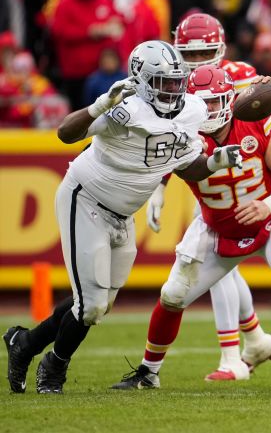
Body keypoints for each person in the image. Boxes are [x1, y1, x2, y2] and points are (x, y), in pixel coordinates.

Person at [3, 41, 243, 394]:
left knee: (98, 305)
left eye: (178, 81)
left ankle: (23, 343)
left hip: (124, 214)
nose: (174, 89)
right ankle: (54, 368)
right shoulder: (125, 109)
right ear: (142, 81)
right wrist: (101, 105)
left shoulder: (191, 110)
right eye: (164, 82)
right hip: (86, 199)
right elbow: (66, 133)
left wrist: (214, 162)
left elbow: (185, 166)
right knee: (91, 303)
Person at [111, 65, 271, 392]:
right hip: (216, 225)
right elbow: (159, 160)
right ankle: (148, 371)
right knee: (172, 295)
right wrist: (159, 187)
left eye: (216, 102)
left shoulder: (255, 122)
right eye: (203, 104)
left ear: (230, 99)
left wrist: (269, 204)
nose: (210, 111)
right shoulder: (181, 132)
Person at [145, 13, 271, 381]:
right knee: (222, 264)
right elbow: (170, 137)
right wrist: (161, 184)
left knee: (221, 264)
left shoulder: (241, 76)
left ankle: (232, 355)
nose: (196, 62)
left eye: (206, 52)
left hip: (248, 178)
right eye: (189, 55)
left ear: (221, 48)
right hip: (207, 181)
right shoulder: (173, 82)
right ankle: (253, 338)